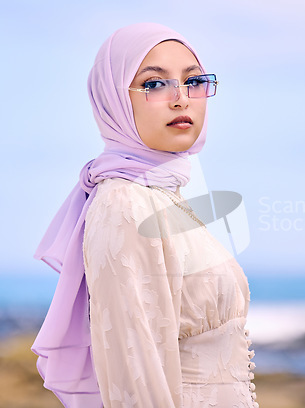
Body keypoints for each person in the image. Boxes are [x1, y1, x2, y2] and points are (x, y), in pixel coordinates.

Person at [31, 22, 258, 408]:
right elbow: (134, 381)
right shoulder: (125, 205)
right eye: (154, 84)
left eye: (194, 81)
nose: (181, 99)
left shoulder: (163, 194)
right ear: (114, 101)